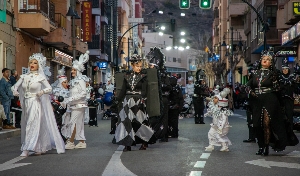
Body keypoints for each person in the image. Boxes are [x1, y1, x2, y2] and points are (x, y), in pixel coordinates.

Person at [11, 53, 65, 157]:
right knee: (30, 124)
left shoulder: (40, 77)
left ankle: (27, 148)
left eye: (35, 63)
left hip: (36, 103)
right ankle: (38, 147)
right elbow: (14, 87)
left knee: (32, 124)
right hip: (27, 104)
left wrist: (42, 92)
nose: (32, 64)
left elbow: (49, 89)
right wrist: (15, 91)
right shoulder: (24, 76)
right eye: (31, 62)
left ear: (38, 65)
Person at [245, 50, 288, 156]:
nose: (265, 60)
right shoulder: (255, 73)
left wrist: (274, 82)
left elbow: (279, 88)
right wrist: (251, 92)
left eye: (268, 59)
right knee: (256, 124)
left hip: (270, 99)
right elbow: (247, 86)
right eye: (264, 59)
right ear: (260, 61)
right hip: (257, 100)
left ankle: (266, 147)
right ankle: (261, 145)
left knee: (266, 123)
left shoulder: (274, 73)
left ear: (271, 63)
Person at [113, 55, 157, 151]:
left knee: (141, 122)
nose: (139, 68)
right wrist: (117, 100)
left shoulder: (143, 76)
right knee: (126, 122)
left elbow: (145, 90)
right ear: (132, 65)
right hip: (128, 101)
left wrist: (143, 99)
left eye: (140, 66)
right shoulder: (127, 76)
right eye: (137, 66)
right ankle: (127, 144)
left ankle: (144, 142)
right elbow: (123, 90)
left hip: (139, 101)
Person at [64, 51, 90, 150]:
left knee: (72, 123)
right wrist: (67, 99)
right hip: (74, 105)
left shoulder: (81, 80)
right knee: (77, 123)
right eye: (72, 70)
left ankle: (70, 142)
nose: (72, 71)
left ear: (78, 70)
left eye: (74, 70)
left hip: (79, 105)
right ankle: (81, 141)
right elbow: (72, 93)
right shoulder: (74, 81)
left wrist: (72, 98)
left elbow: (83, 93)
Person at [51, 66, 70, 141]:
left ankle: (67, 137)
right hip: (60, 111)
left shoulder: (68, 91)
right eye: (64, 82)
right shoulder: (57, 91)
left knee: (67, 123)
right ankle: (60, 138)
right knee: (60, 124)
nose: (66, 84)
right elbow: (55, 100)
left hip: (67, 110)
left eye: (67, 82)